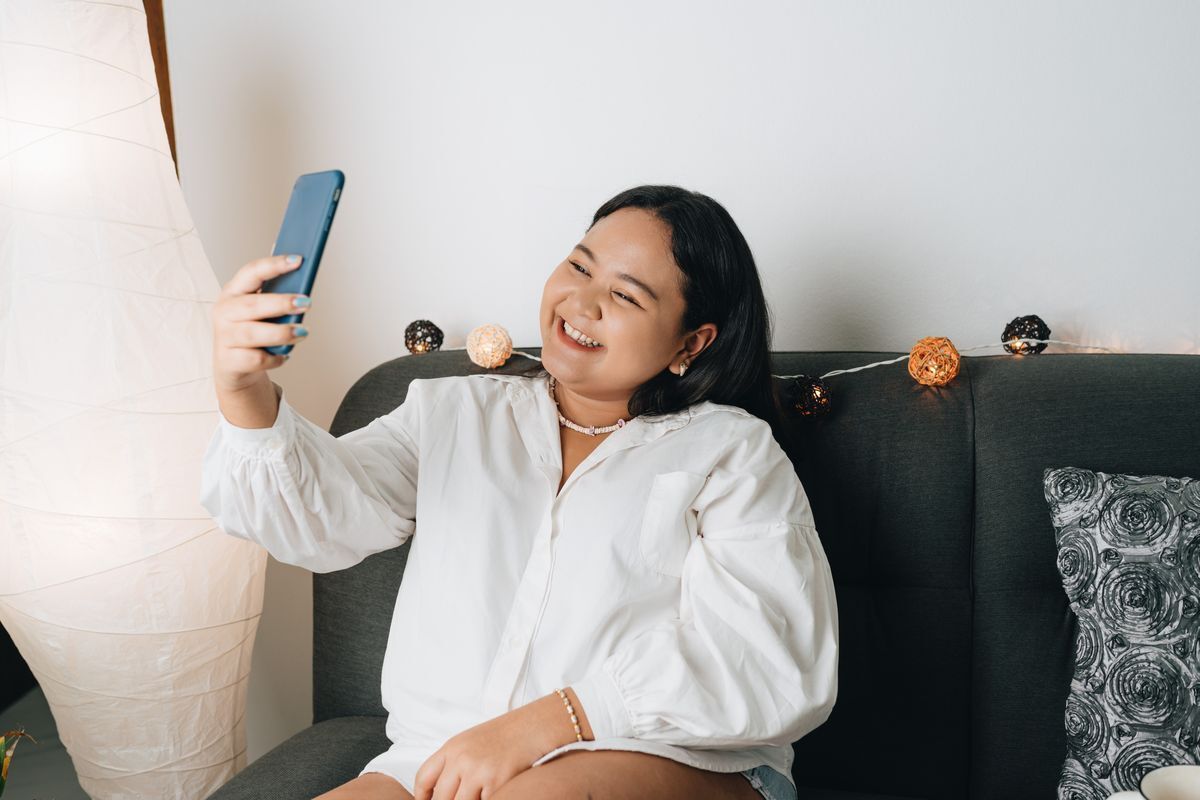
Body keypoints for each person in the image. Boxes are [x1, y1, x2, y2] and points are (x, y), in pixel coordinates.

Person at [200, 185, 839, 800]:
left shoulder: (731, 451)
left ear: (691, 343)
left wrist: (543, 725)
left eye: (625, 295)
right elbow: (318, 519)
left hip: (669, 758)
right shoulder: (449, 411)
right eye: (579, 266)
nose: (581, 304)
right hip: (437, 762)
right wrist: (243, 391)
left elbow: (767, 654)